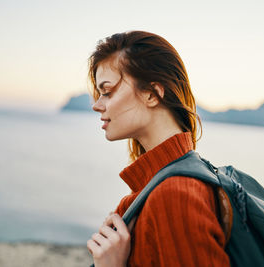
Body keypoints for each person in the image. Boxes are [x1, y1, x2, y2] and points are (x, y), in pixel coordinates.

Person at [86, 31, 230, 267]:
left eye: (107, 91)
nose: (96, 105)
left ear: (152, 94)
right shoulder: (164, 184)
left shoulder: (175, 195)